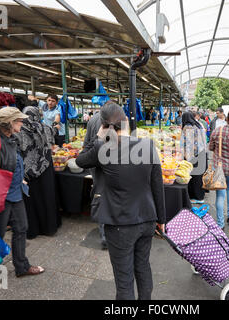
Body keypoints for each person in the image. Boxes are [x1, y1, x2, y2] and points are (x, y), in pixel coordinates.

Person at [76, 101, 166, 300]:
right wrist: (161, 219)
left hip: (120, 224)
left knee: (124, 279)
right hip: (147, 219)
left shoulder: (103, 148)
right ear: (125, 122)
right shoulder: (148, 145)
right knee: (143, 267)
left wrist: (98, 137)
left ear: (104, 125)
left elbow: (80, 160)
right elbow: (157, 186)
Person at [0, 107, 45, 282]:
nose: (22, 123)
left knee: (21, 229)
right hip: (0, 195)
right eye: (19, 120)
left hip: (15, 192)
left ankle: (22, 266)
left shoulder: (12, 138)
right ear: (10, 123)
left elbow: (11, 163)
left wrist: (20, 179)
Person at [15, 106, 61, 240]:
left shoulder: (19, 130)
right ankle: (50, 227)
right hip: (46, 167)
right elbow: (53, 133)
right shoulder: (45, 127)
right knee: (47, 196)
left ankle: (33, 229)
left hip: (28, 170)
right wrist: (55, 125)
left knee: (31, 199)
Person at [82, 108, 107, 249]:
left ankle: (104, 234)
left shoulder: (92, 119)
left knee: (99, 195)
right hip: (108, 164)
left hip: (95, 164)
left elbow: (86, 143)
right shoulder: (115, 120)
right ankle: (107, 235)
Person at [182, 111, 207, 204]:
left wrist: (185, 157)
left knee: (193, 177)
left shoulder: (187, 127)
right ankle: (200, 196)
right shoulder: (198, 124)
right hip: (201, 153)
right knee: (199, 177)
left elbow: (187, 144)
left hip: (193, 155)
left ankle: (196, 197)